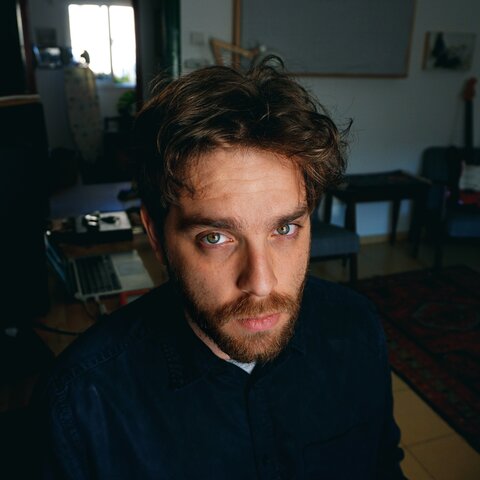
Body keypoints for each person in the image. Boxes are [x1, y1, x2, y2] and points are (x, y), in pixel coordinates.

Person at [31, 58, 406, 479]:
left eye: (284, 229)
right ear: (156, 236)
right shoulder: (80, 404)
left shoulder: (356, 329)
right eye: (215, 237)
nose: (261, 283)